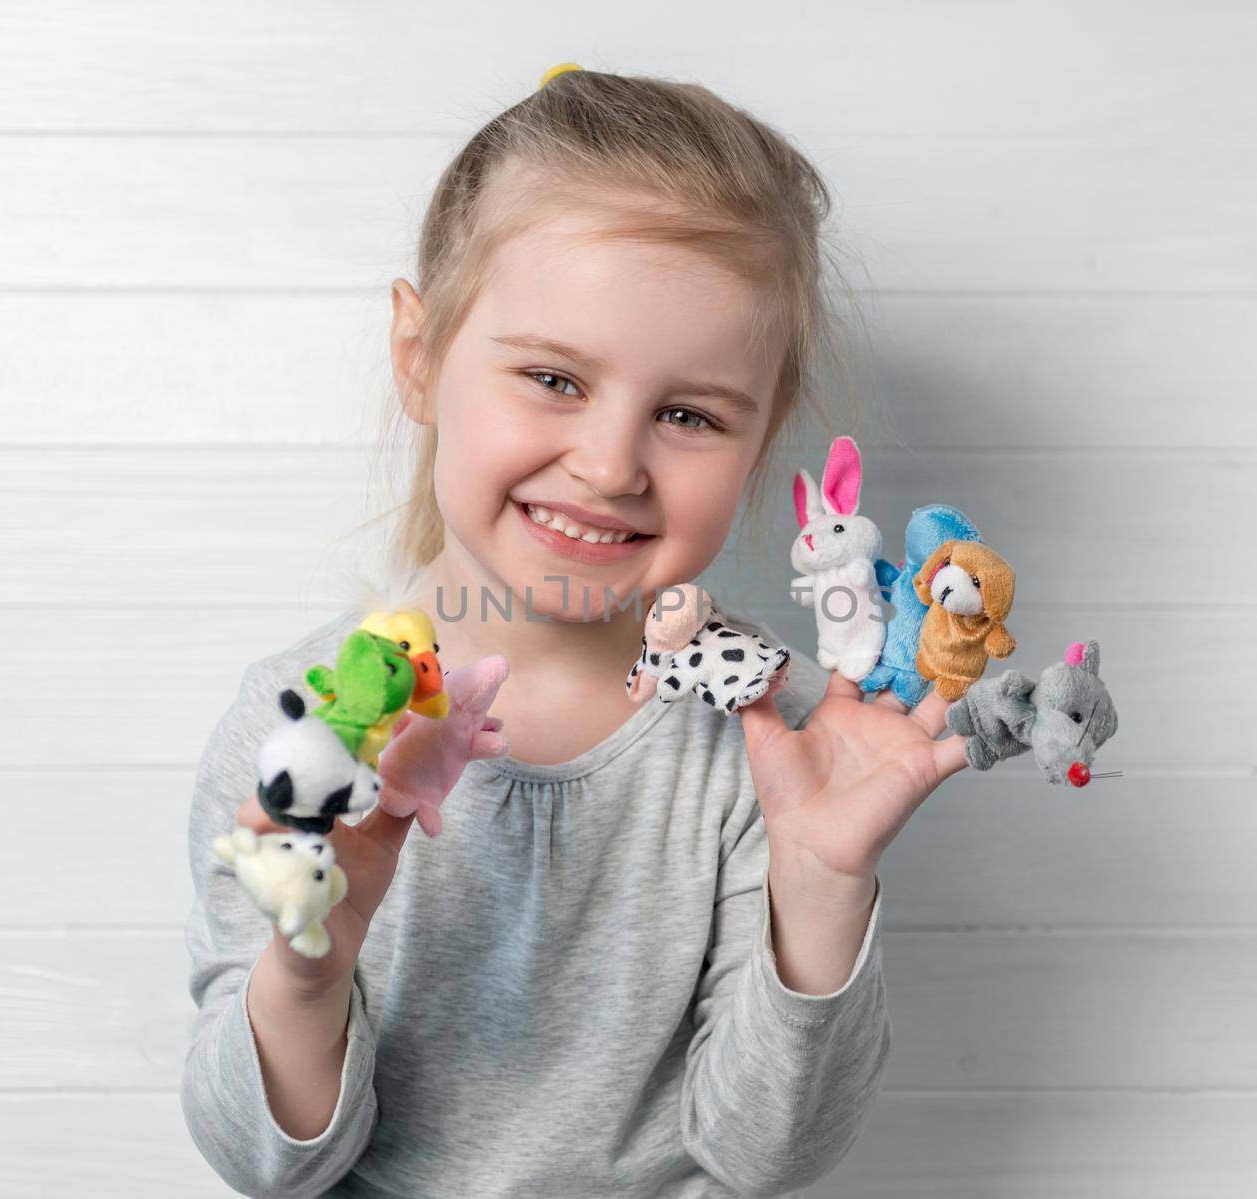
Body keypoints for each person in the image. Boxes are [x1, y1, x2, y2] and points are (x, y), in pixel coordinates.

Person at [181, 63, 973, 1198]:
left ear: (764, 439)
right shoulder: (295, 722)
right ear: (420, 355)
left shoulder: (779, 737)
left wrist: (820, 880)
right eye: (553, 376)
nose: (609, 465)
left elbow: (768, 1151)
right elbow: (264, 1162)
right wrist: (309, 973)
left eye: (688, 414)